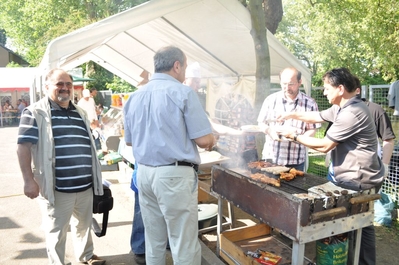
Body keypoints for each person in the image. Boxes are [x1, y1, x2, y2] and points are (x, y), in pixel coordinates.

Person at [277, 67, 384, 265]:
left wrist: (294, 136)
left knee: (355, 226)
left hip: (359, 179)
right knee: (358, 225)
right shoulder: (343, 107)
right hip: (353, 177)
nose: (324, 92)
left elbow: (325, 145)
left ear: (340, 89)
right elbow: (316, 116)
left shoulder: (353, 112)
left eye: (327, 88)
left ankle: (357, 261)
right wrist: (291, 116)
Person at [123, 46, 215, 265]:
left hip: (144, 173)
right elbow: (204, 140)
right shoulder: (183, 93)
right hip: (173, 176)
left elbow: (129, 141)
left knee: (153, 239)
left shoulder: (134, 96)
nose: (184, 72)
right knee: (183, 241)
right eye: (183, 67)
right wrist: (213, 139)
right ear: (177, 66)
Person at [16, 69, 105, 265]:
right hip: (57, 187)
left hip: (84, 185)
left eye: (68, 84)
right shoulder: (35, 112)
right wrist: (28, 180)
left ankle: (87, 256)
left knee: (83, 225)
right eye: (59, 84)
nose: (64, 88)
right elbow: (23, 147)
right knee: (56, 231)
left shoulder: (79, 111)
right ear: (47, 87)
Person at [257, 67, 321, 171]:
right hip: (270, 158)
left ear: (300, 82)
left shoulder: (310, 103)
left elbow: (312, 130)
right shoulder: (270, 100)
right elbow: (261, 123)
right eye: (284, 83)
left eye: (291, 84)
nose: (287, 87)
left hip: (295, 161)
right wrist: (269, 131)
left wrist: (297, 137)